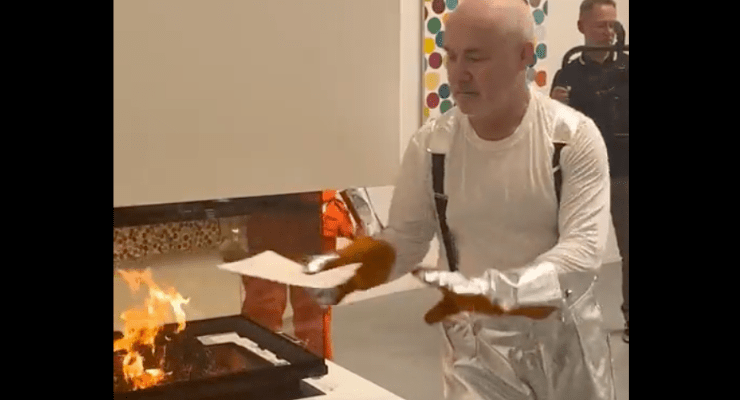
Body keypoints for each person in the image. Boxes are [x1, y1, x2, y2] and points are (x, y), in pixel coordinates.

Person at [304, 0, 617, 399]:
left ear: (525, 55)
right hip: (474, 351)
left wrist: (489, 290)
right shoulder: (433, 146)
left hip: (564, 347)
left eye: (475, 57)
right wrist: (349, 270)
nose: (458, 73)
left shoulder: (571, 139)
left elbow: (582, 254)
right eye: (451, 56)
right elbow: (408, 237)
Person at [550, 0, 629, 343]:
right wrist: (554, 105)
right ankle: (573, 320)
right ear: (582, 26)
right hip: (583, 177)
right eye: (601, 25)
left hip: (624, 170)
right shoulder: (567, 73)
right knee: (577, 253)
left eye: (612, 24)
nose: (608, 31)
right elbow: (554, 130)